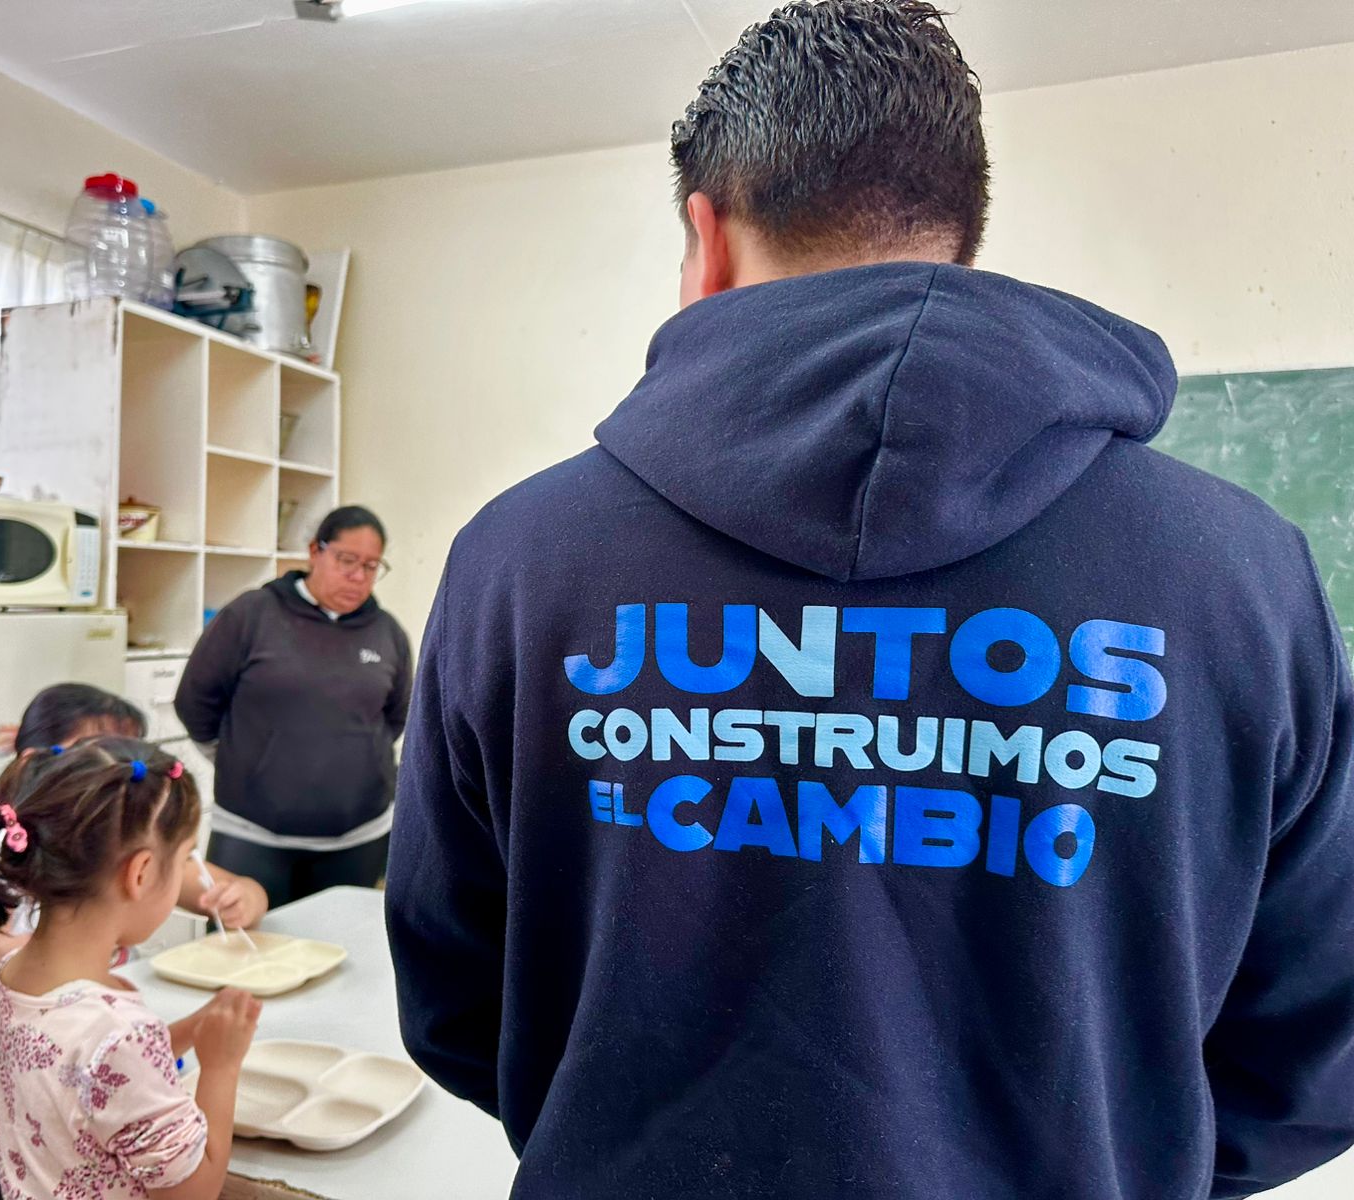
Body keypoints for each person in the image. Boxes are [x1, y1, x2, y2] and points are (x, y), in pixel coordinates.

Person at [383, 3, 1354, 1198]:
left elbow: (452, 986)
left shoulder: (516, 560)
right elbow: (1315, 1037)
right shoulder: (1244, 576)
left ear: (705, 238)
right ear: (959, 232)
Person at [0, 682, 270, 1200]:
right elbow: (192, 1190)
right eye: (185, 857)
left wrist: (191, 1030)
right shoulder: (117, 1029)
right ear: (142, 873)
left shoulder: (9, 986)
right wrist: (221, 1067)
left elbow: (87, 1075)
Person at [176, 506, 412, 907]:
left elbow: (396, 716)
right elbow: (195, 702)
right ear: (314, 552)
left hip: (358, 836)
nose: (358, 576)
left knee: (344, 954)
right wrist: (246, 756)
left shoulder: (387, 632)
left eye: (371, 566)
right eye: (347, 560)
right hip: (253, 834)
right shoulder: (252, 614)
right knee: (244, 955)